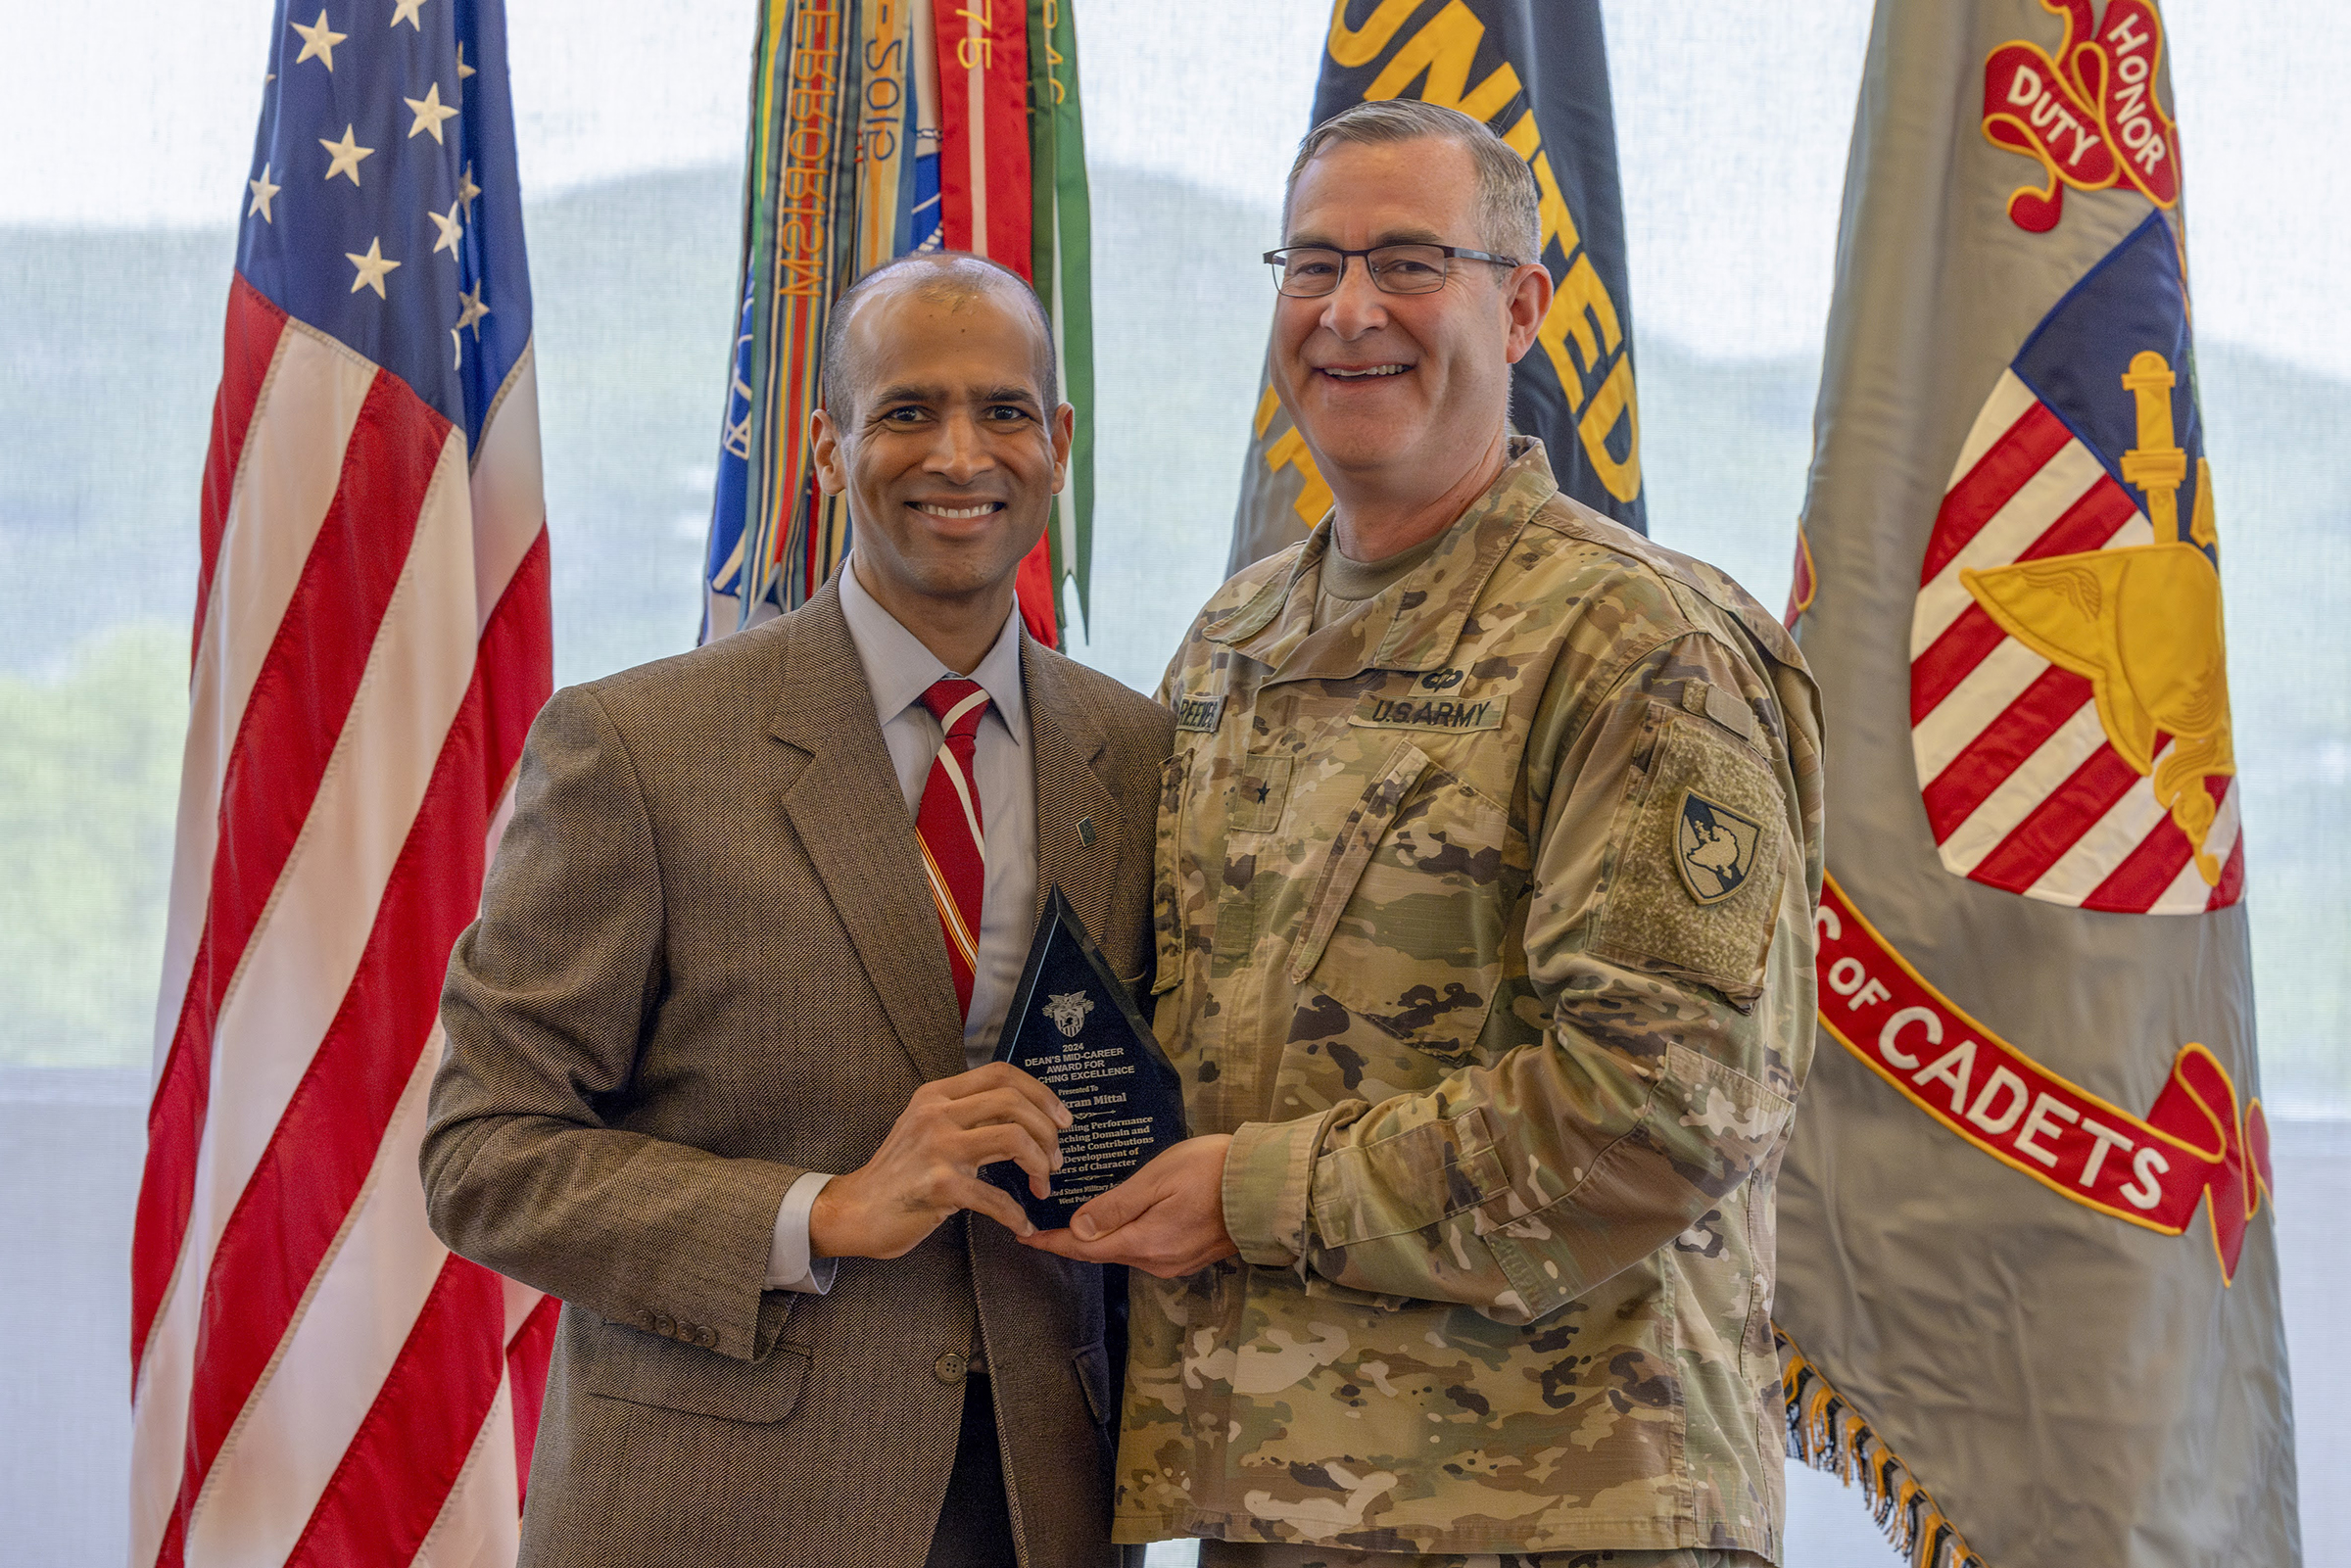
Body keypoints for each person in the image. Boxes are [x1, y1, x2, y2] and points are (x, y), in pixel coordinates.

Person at [1028, 100, 1826, 1566]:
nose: (1348, 313)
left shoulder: (1640, 645)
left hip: (1552, 1506)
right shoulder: (1233, 640)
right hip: (1275, 1500)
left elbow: (1661, 1112)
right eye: (1312, 264)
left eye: (1408, 262)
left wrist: (1251, 1191)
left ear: (1517, 307)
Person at [421, 253, 1172, 1568]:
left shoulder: (1145, 752)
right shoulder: (638, 746)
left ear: (1056, 445)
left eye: (1002, 410)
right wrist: (819, 1209)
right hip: (722, 1510)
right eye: (905, 411)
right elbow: (483, 1155)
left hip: (1046, 1507)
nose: (959, 453)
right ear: (827, 450)